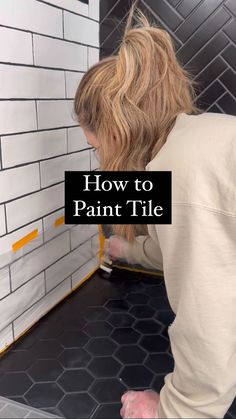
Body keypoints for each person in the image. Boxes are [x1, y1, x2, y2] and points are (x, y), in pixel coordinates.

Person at [73, 2, 236, 418]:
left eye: (96, 148)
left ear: (113, 132)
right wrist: (131, 250)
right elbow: (194, 246)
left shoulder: (180, 170)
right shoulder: (194, 141)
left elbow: (209, 322)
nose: (99, 162)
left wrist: (171, 409)